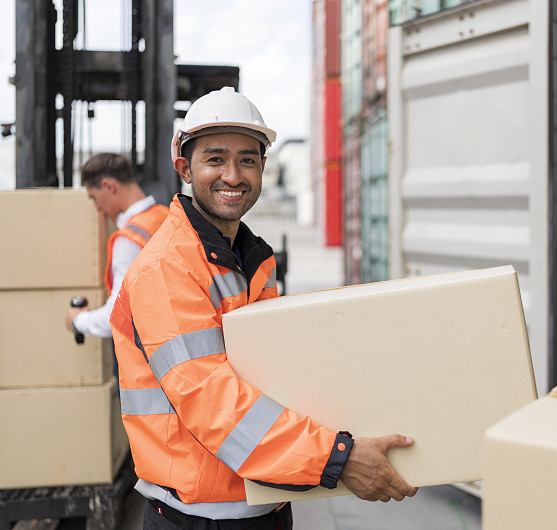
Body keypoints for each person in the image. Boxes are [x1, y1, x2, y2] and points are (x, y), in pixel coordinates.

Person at [109, 87, 417, 529]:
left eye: (247, 160)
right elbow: (212, 403)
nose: (233, 175)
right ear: (185, 168)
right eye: (215, 159)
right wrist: (338, 457)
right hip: (201, 517)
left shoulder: (249, 257)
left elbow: (273, 372)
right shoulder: (166, 267)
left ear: (263, 168)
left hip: (264, 501)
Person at [65, 153, 168, 343]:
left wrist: (78, 321)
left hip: (148, 349)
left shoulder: (129, 240)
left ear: (109, 186)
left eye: (94, 198)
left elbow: (118, 314)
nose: (97, 208)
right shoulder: (167, 216)